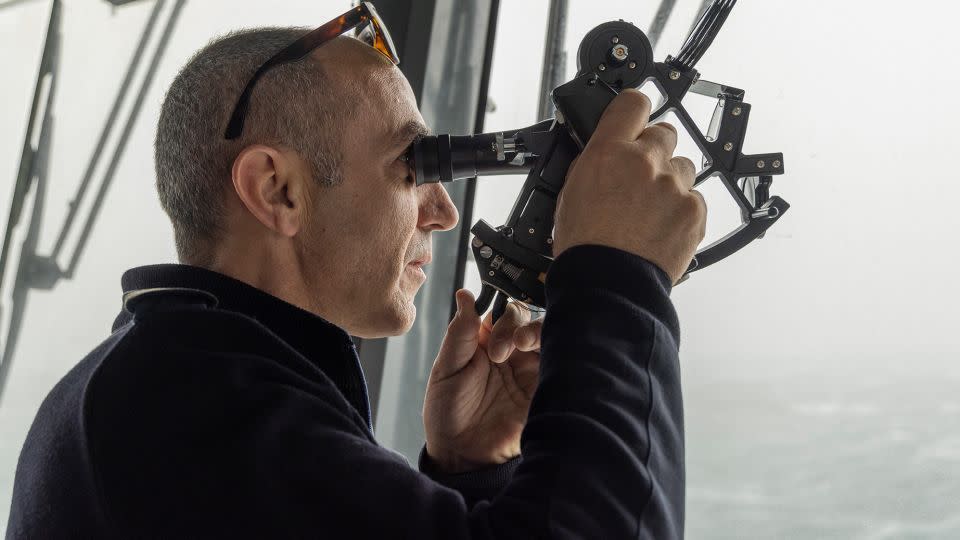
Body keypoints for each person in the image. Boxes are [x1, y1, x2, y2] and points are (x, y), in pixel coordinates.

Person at [6, 14, 705, 540]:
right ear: (277, 190)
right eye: (413, 166)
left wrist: (467, 471)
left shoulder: (174, 389)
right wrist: (619, 279)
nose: (442, 211)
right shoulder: (191, 412)